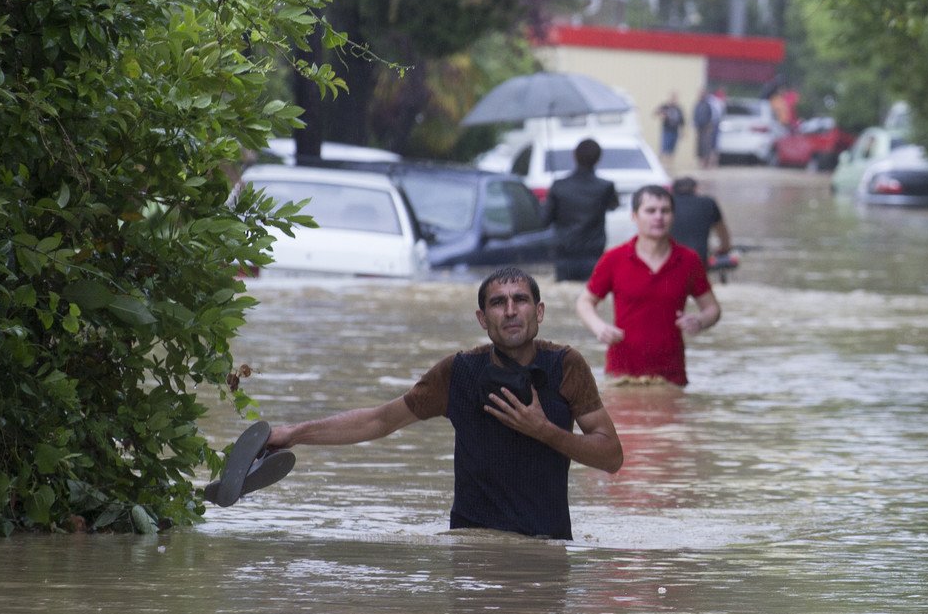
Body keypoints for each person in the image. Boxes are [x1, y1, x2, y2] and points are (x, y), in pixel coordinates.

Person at [264, 267, 623, 540]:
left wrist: (544, 430)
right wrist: (293, 433)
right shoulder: (459, 372)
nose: (510, 310)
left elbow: (611, 457)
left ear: (539, 312)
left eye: (521, 300)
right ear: (483, 319)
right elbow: (380, 421)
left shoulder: (566, 365)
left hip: (546, 547)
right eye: (498, 303)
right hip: (471, 545)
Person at [577, 185, 722, 386]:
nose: (659, 217)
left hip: (671, 376)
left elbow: (712, 308)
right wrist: (599, 327)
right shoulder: (614, 258)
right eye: (650, 210)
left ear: (673, 216)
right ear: (634, 216)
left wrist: (700, 321)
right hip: (622, 375)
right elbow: (585, 302)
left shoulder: (689, 260)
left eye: (665, 211)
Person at [543, 137, 619, 283]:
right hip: (593, 253)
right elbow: (613, 205)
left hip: (564, 254)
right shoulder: (606, 187)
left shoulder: (559, 186)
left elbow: (545, 220)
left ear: (574, 155)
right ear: (598, 158)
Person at [669, 176, 731, 266]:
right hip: (699, 259)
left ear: (672, 190)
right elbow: (723, 233)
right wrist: (724, 249)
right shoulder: (708, 203)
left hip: (669, 261)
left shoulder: (665, 204)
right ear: (696, 189)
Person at [692, 90, 718, 169]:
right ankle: (701, 163)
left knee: (706, 146)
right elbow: (695, 116)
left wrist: (710, 126)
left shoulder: (708, 105)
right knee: (699, 146)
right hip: (699, 128)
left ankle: (707, 163)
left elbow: (712, 117)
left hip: (706, 128)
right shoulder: (698, 105)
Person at [656, 93, 685, 163]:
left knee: (672, 150)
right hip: (667, 131)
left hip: (675, 131)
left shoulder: (678, 109)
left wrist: (683, 132)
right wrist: (662, 114)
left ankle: (669, 163)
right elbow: (656, 112)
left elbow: (682, 121)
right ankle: (661, 163)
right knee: (664, 148)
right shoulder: (665, 107)